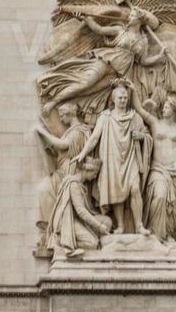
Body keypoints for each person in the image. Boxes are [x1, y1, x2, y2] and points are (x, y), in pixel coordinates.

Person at [39, 6, 167, 116]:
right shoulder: (120, 30)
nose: (129, 17)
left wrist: (159, 57)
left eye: (132, 16)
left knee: (90, 90)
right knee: (85, 83)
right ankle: (53, 102)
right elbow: (99, 30)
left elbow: (143, 61)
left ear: (139, 20)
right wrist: (85, 19)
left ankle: (64, 103)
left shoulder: (143, 41)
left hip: (118, 74)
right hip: (107, 61)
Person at [73, 81, 152, 236]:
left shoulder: (134, 117)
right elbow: (95, 137)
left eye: (125, 98)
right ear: (113, 99)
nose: (123, 100)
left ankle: (139, 225)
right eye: (120, 98)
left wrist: (141, 136)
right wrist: (82, 154)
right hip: (113, 159)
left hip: (131, 158)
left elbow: (147, 135)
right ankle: (121, 226)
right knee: (116, 192)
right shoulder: (105, 117)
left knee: (135, 188)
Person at [127, 83, 176, 242]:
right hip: (158, 169)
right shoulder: (155, 123)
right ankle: (156, 234)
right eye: (164, 107)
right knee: (160, 196)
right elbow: (139, 110)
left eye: (168, 107)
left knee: (172, 203)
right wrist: (133, 91)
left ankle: (168, 233)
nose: (164, 109)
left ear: (174, 110)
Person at [34, 102, 90, 237]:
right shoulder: (72, 131)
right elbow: (64, 151)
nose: (61, 119)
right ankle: (50, 229)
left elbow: (64, 145)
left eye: (62, 116)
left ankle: (52, 229)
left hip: (69, 172)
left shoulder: (78, 130)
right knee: (44, 189)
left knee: (44, 189)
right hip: (63, 169)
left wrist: (43, 133)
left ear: (69, 114)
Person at [47, 157, 113, 256]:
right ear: (87, 170)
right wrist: (99, 226)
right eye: (95, 173)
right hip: (66, 221)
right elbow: (81, 211)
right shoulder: (74, 184)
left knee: (107, 221)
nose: (95, 177)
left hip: (76, 219)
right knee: (92, 243)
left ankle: (89, 235)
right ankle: (62, 243)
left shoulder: (81, 185)